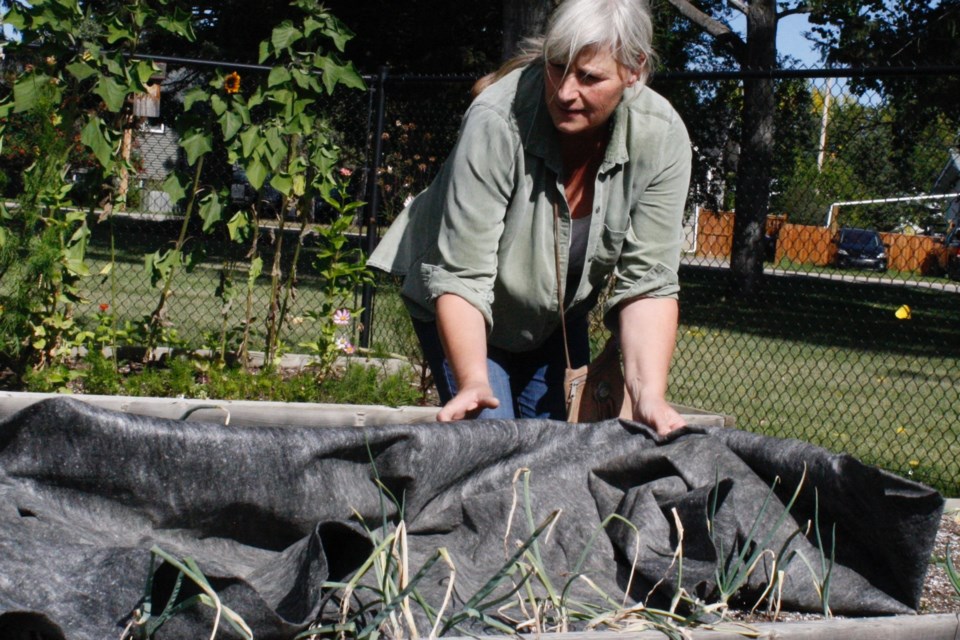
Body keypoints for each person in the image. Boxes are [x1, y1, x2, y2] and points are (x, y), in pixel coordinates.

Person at [368, 0, 691, 435]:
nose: (564, 92)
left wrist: (648, 393)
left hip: (554, 317)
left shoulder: (662, 136)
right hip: (464, 302)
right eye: (556, 67)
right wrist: (473, 381)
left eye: (589, 77)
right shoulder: (496, 121)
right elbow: (462, 273)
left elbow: (648, 283)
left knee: (557, 453)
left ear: (633, 70)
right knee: (494, 443)